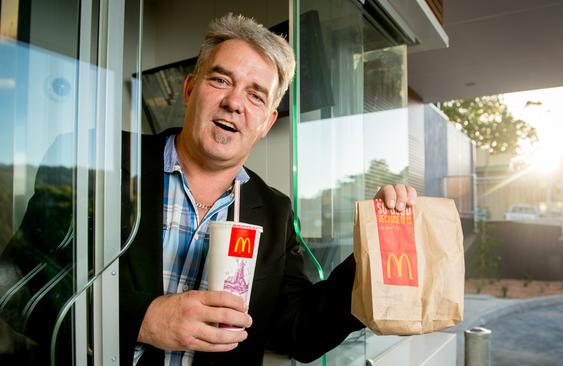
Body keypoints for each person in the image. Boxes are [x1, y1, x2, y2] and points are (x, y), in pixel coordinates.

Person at [1, 13, 417, 365]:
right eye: (221, 80)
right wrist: (141, 319)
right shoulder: (95, 159)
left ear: (267, 122)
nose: (235, 102)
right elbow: (15, 286)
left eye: (256, 96)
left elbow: (299, 331)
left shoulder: (272, 210)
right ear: (189, 90)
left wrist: (374, 256)